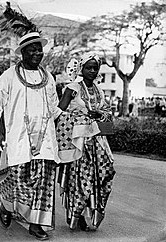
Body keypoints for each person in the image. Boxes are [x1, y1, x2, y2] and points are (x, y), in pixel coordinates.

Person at [0, 31, 63, 240]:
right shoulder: (8, 76)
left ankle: (36, 225)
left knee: (44, 182)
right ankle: (6, 207)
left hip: (45, 140)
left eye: (39, 49)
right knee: (19, 180)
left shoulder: (49, 78)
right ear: (22, 52)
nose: (37, 53)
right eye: (32, 49)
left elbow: (55, 110)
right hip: (19, 139)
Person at [56, 53, 115, 231]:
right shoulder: (73, 88)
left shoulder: (99, 90)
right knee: (81, 179)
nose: (92, 70)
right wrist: (79, 117)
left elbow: (107, 112)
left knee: (106, 173)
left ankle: (95, 210)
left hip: (97, 141)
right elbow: (60, 111)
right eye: (88, 67)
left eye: (95, 68)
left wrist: (100, 114)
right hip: (78, 142)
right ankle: (77, 214)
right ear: (81, 69)